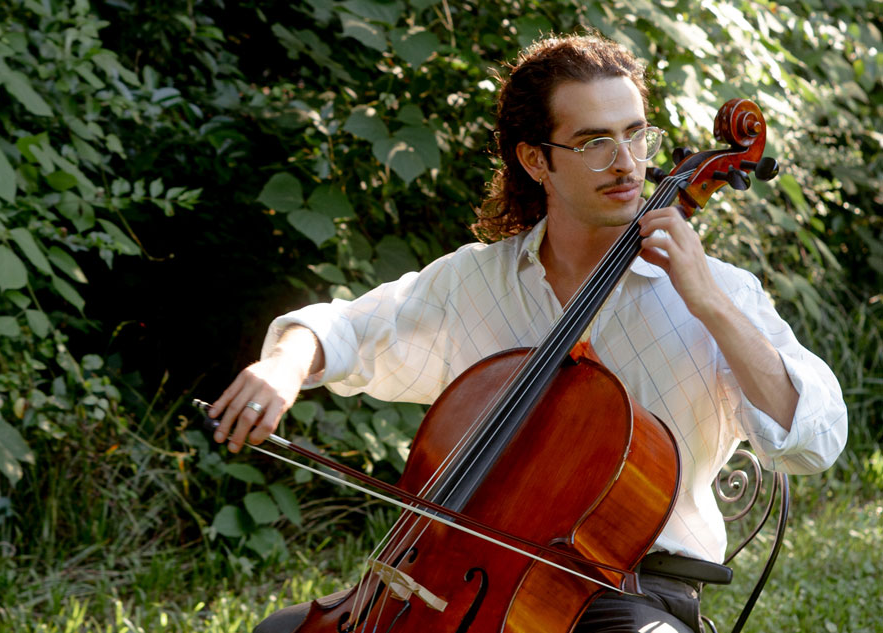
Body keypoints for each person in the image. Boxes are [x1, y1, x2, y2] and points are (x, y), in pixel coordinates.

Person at [209, 32, 847, 633]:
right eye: (594, 141)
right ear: (536, 159)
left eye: (635, 135)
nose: (627, 164)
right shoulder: (475, 282)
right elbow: (346, 326)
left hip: (630, 593)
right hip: (465, 581)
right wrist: (284, 366)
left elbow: (815, 439)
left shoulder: (718, 293)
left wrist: (708, 302)